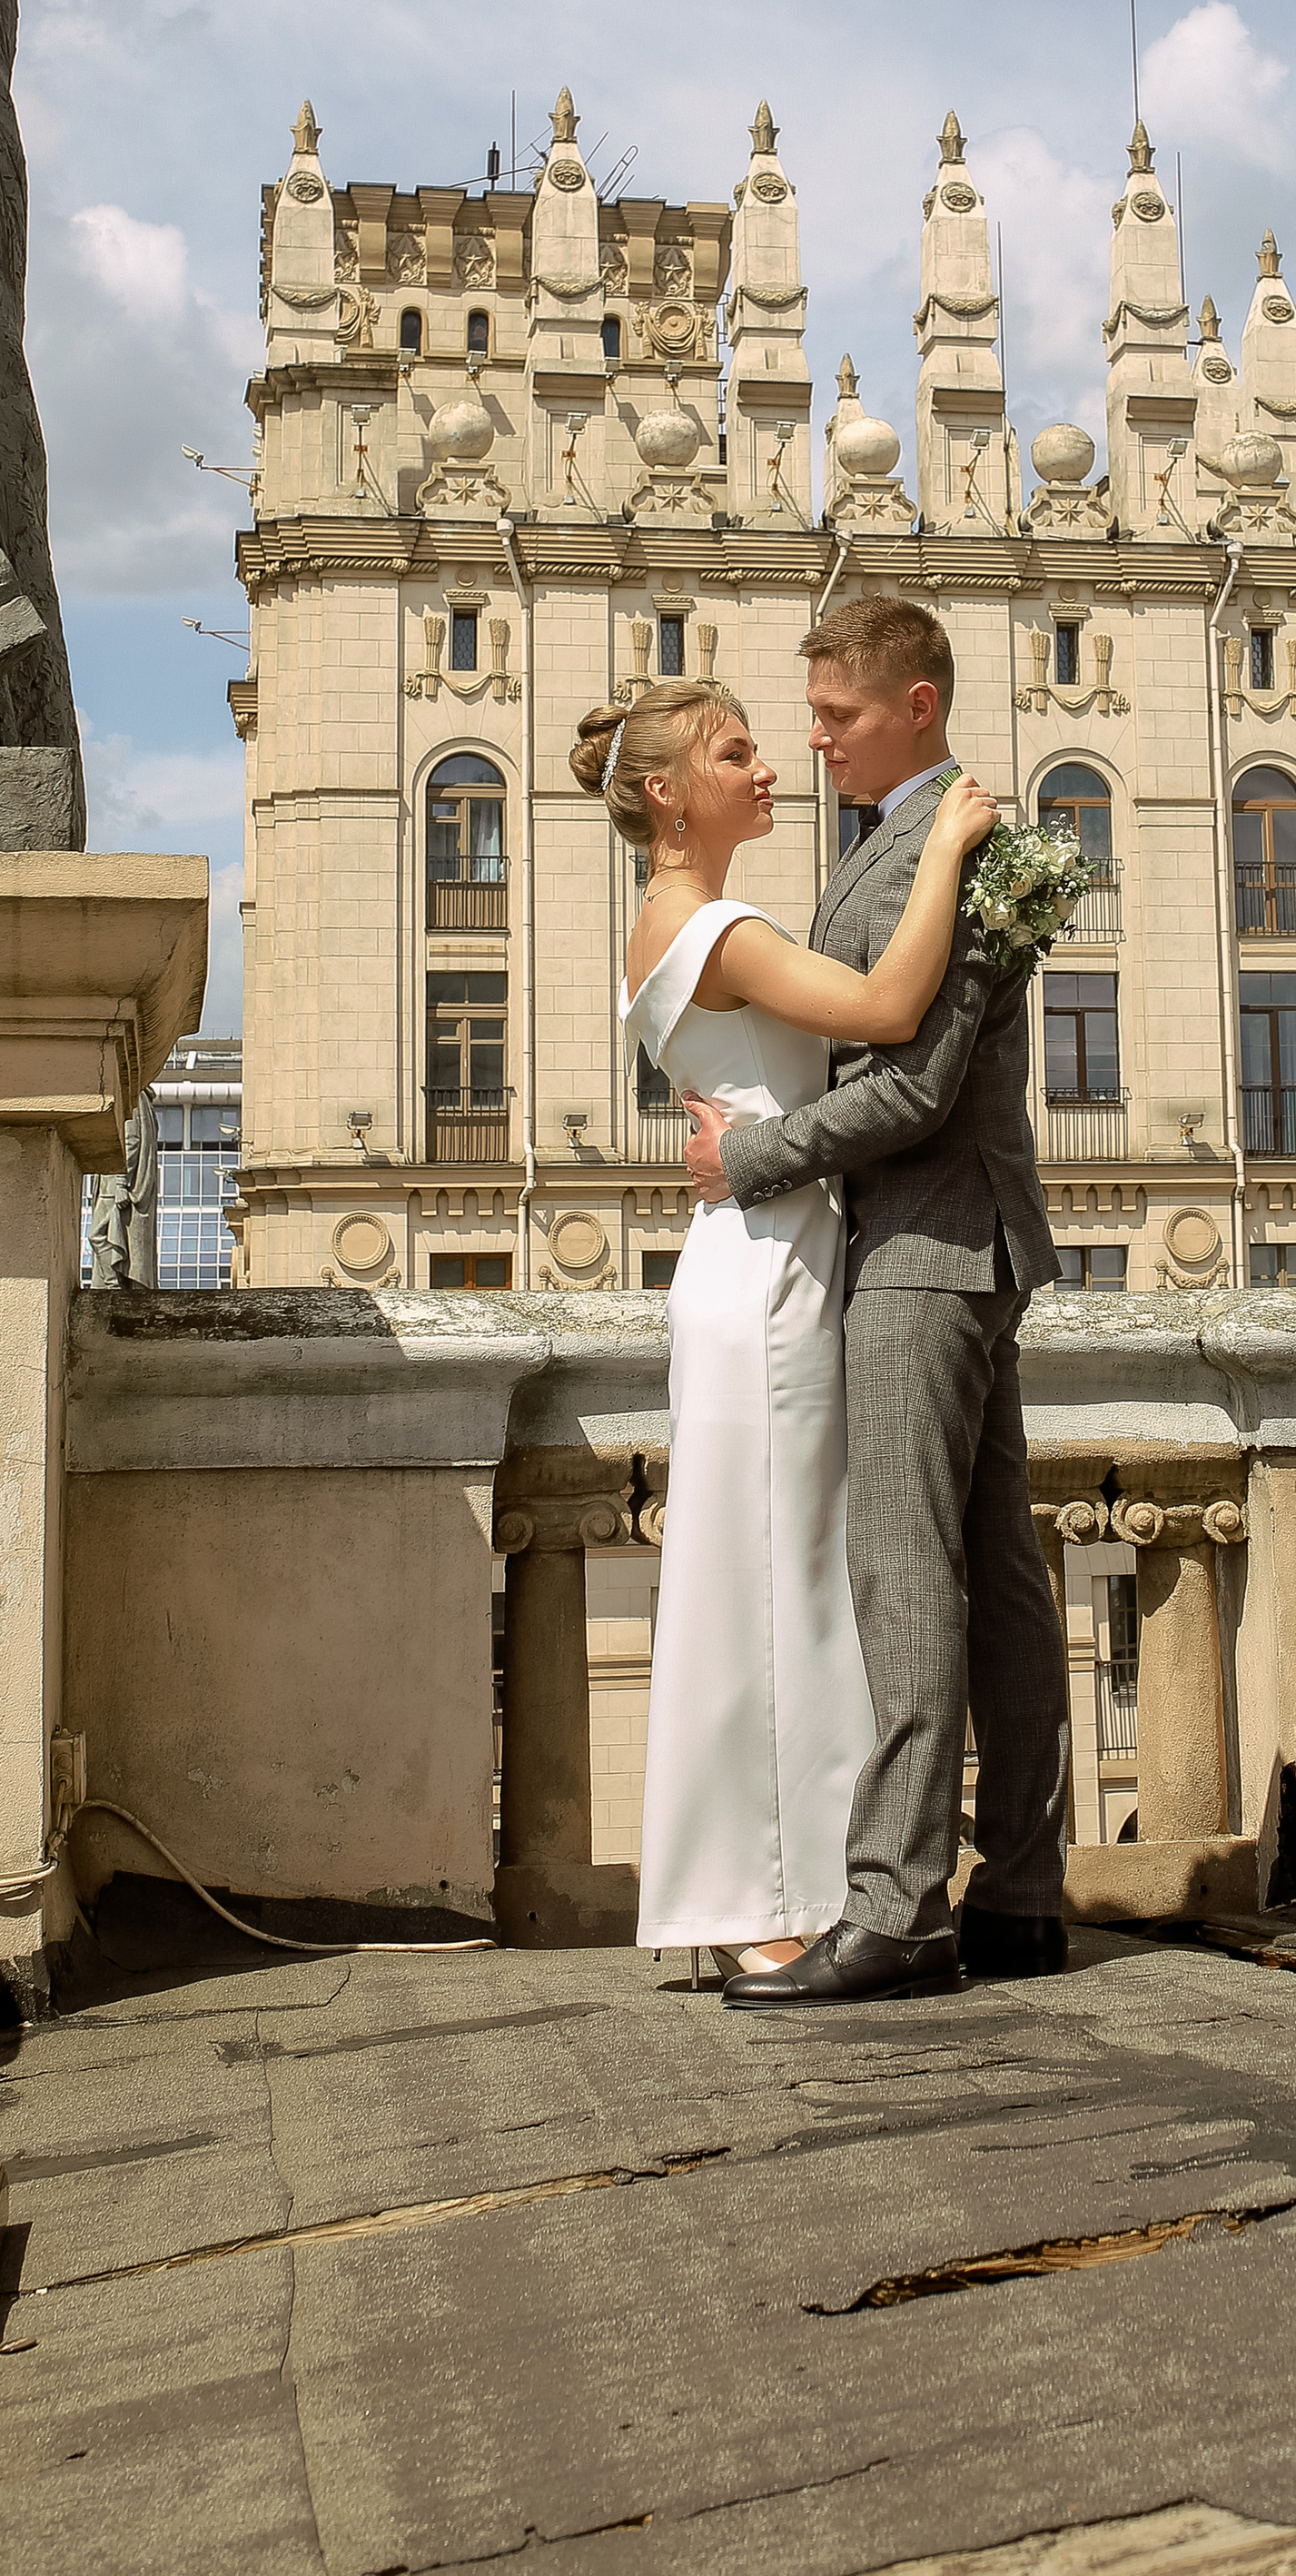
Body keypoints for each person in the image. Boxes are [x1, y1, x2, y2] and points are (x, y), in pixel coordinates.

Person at [574, 674, 998, 1977]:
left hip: (756, 1250)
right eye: (736, 753)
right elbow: (885, 1014)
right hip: (766, 1273)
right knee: (775, 1590)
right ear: (666, 794)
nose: (769, 769)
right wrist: (945, 851)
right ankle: (763, 1907)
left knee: (779, 1585)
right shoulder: (710, 922)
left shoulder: (678, 920)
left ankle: (780, 1892)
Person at [681, 594, 1071, 2011]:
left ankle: (899, 1909)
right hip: (956, 1242)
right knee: (1003, 1579)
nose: (817, 740)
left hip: (925, 1244)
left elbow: (911, 1087)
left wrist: (749, 1159)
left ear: (916, 703)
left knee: (907, 1573)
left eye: (836, 716)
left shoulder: (965, 843)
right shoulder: (913, 840)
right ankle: (1022, 1892)